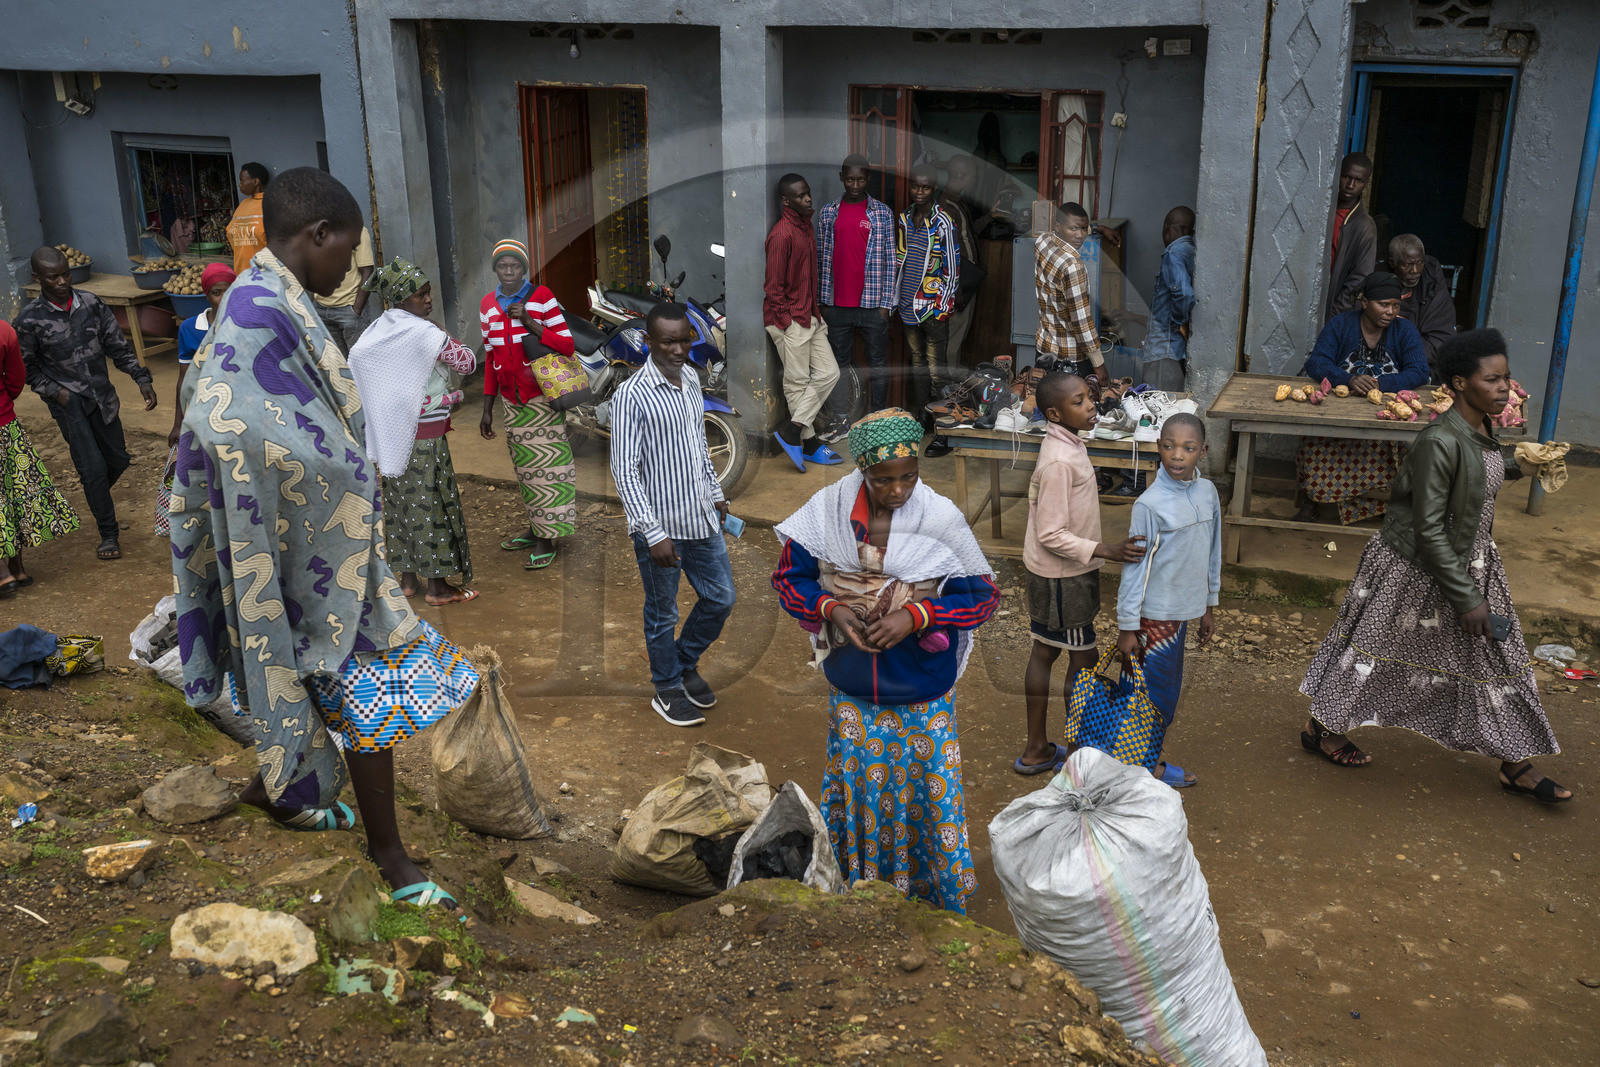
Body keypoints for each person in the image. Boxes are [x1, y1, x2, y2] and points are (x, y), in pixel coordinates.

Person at [171, 166, 479, 910]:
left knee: (294, 663)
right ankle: (389, 855)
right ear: (318, 234)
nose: (352, 268)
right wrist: (339, 467)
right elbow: (219, 415)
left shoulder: (274, 295)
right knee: (370, 681)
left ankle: (275, 789)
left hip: (298, 528)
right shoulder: (257, 308)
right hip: (302, 534)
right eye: (349, 250)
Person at [1297, 329, 1568, 802]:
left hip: (1469, 562)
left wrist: (1521, 464)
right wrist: (1467, 598)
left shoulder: (1483, 429)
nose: (1505, 387)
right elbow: (1429, 528)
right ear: (1460, 383)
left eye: (1506, 377)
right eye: (1492, 379)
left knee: (1497, 655)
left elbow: (1473, 480)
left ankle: (1516, 763)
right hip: (1414, 567)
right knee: (1374, 651)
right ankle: (1323, 729)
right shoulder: (1438, 441)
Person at [772, 408, 999, 913]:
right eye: (883, 480)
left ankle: (930, 898)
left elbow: (982, 596)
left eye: (908, 477)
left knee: (925, 795)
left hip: (921, 690)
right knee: (861, 794)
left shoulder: (939, 518)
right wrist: (830, 607)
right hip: (853, 687)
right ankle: (862, 891)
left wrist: (917, 615)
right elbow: (790, 578)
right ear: (862, 471)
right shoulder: (829, 512)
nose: (898, 491)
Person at [611, 303, 737, 728]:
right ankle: (666, 688)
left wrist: (715, 492)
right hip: (660, 527)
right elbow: (624, 470)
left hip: (700, 516)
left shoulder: (691, 380)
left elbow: (698, 443)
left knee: (721, 599)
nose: (680, 350)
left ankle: (682, 662)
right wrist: (652, 532)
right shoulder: (631, 395)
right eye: (669, 342)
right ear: (649, 342)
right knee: (663, 612)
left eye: (685, 340)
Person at [1020, 373, 1146, 774]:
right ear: (1055, 414)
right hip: (1064, 577)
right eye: (1079, 401)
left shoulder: (1067, 445)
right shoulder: (1060, 461)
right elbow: (1051, 533)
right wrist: (1106, 549)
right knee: (1084, 658)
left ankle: (1038, 748)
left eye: (1089, 397)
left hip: (1056, 572)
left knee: (1045, 650)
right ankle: (1076, 755)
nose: (1091, 404)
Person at [15, 245, 158, 561]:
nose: (62, 282)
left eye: (66, 274)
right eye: (53, 277)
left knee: (118, 460)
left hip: (102, 397)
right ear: (38, 278)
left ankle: (96, 494)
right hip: (69, 405)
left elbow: (117, 347)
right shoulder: (28, 320)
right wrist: (57, 393)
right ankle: (108, 534)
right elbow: (27, 369)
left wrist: (141, 378)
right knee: (92, 468)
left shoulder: (92, 304)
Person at [349, 258, 478, 606]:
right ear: (402, 299)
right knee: (431, 505)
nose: (429, 299)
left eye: (428, 292)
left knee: (400, 506)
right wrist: (442, 333)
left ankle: (407, 581)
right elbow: (467, 363)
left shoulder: (377, 330)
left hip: (391, 437)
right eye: (421, 295)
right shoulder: (423, 333)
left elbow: (357, 360)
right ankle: (437, 588)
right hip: (424, 438)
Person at [1114, 413, 1221, 788]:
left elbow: (1213, 551)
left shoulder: (1208, 492)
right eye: (1169, 446)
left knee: (1164, 694)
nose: (1177, 455)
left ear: (1202, 451)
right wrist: (1127, 627)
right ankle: (1142, 770)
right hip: (1152, 620)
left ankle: (1137, 763)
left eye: (1188, 448)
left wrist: (1208, 606)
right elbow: (1135, 570)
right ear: (1157, 447)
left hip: (1182, 617)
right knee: (1147, 697)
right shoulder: (1149, 504)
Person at [1296, 271, 1429, 524]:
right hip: (1339, 410)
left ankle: (1381, 504)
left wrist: (1380, 384)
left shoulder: (1405, 330)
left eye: (1396, 305)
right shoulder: (1340, 325)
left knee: (1403, 445)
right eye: (1383, 304)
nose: (1390, 312)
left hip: (1385, 412)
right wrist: (1348, 379)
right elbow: (1316, 363)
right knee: (1316, 440)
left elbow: (1420, 371)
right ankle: (1313, 500)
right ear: (1365, 302)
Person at [478, 238, 577, 570]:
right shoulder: (487, 305)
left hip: (541, 401)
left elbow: (566, 345)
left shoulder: (542, 297)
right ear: (495, 269)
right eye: (502, 266)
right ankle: (537, 527)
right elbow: (491, 359)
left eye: (515, 265)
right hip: (511, 402)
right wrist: (487, 408)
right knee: (525, 470)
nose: (509, 271)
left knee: (549, 470)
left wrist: (530, 322)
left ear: (524, 269)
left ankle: (547, 538)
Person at [1109, 205, 1197, 498]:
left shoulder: (1173, 253)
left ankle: (1137, 484)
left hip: (1164, 353)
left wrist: (1179, 322)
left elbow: (1182, 295)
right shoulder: (1191, 251)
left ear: (1169, 227)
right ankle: (1158, 483)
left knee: (1151, 420)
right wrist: (1134, 318)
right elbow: (1166, 309)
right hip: (1168, 350)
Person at [765, 173, 843, 471]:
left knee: (829, 372)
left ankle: (793, 428)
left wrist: (811, 313)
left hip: (810, 314)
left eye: (808, 193)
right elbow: (773, 288)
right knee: (796, 382)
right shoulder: (781, 234)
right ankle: (809, 444)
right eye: (800, 195)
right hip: (789, 318)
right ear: (786, 200)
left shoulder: (805, 226)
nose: (808, 198)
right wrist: (787, 323)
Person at [815, 154, 896, 435]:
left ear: (868, 179)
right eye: (850, 179)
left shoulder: (882, 213)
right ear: (842, 177)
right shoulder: (828, 212)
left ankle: (877, 416)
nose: (855, 185)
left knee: (878, 364)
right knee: (838, 364)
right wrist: (822, 300)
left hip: (873, 304)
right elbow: (821, 258)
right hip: (836, 304)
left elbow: (890, 260)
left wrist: (886, 303)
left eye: (860, 179)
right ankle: (841, 419)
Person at [0, 318, 79, 597]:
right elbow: (15, 379)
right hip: (6, 426)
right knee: (15, 490)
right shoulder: (4, 330)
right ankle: (17, 567)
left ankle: (2, 573)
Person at [897, 162, 961, 419]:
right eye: (915, 186)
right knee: (918, 363)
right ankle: (923, 414)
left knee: (937, 369)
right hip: (907, 304)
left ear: (934, 188)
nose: (919, 192)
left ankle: (941, 419)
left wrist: (942, 306)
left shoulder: (943, 221)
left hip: (932, 305)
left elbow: (952, 268)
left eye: (925, 187)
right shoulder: (904, 218)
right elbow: (900, 259)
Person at [1035, 202, 1105, 395]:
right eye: (1073, 228)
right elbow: (1081, 323)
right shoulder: (1073, 266)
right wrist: (1099, 364)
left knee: (1046, 404)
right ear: (1058, 227)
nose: (1080, 235)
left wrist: (1097, 227)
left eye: (1084, 229)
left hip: (1044, 348)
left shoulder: (1042, 242)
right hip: (1071, 359)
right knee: (1077, 408)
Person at [170, 263, 236, 446]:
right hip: (204, 410)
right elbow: (184, 378)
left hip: (239, 411)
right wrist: (178, 424)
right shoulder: (190, 328)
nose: (224, 299)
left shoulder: (247, 326)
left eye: (229, 292)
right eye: (217, 293)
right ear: (207, 295)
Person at [1388, 233, 1456, 381]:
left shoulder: (1430, 283)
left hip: (1417, 358)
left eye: (1420, 263)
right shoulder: (1379, 285)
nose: (1415, 270)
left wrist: (1405, 357)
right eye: (1407, 265)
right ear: (1392, 263)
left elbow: (1440, 338)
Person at [1324, 152, 1376, 325]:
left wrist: (1333, 315)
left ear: (1366, 183)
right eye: (1346, 177)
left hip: (1331, 310)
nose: (1351, 185)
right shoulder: (1321, 208)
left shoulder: (1364, 226)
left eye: (1359, 180)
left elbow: (1360, 278)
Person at [314, 225, 378, 354]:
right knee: (337, 361)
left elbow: (367, 271)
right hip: (321, 309)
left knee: (360, 359)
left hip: (349, 308)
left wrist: (356, 310)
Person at [227, 162, 271, 276]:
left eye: (242, 180)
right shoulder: (243, 205)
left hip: (266, 275)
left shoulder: (271, 205)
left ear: (256, 182)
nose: (239, 184)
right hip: (241, 274)